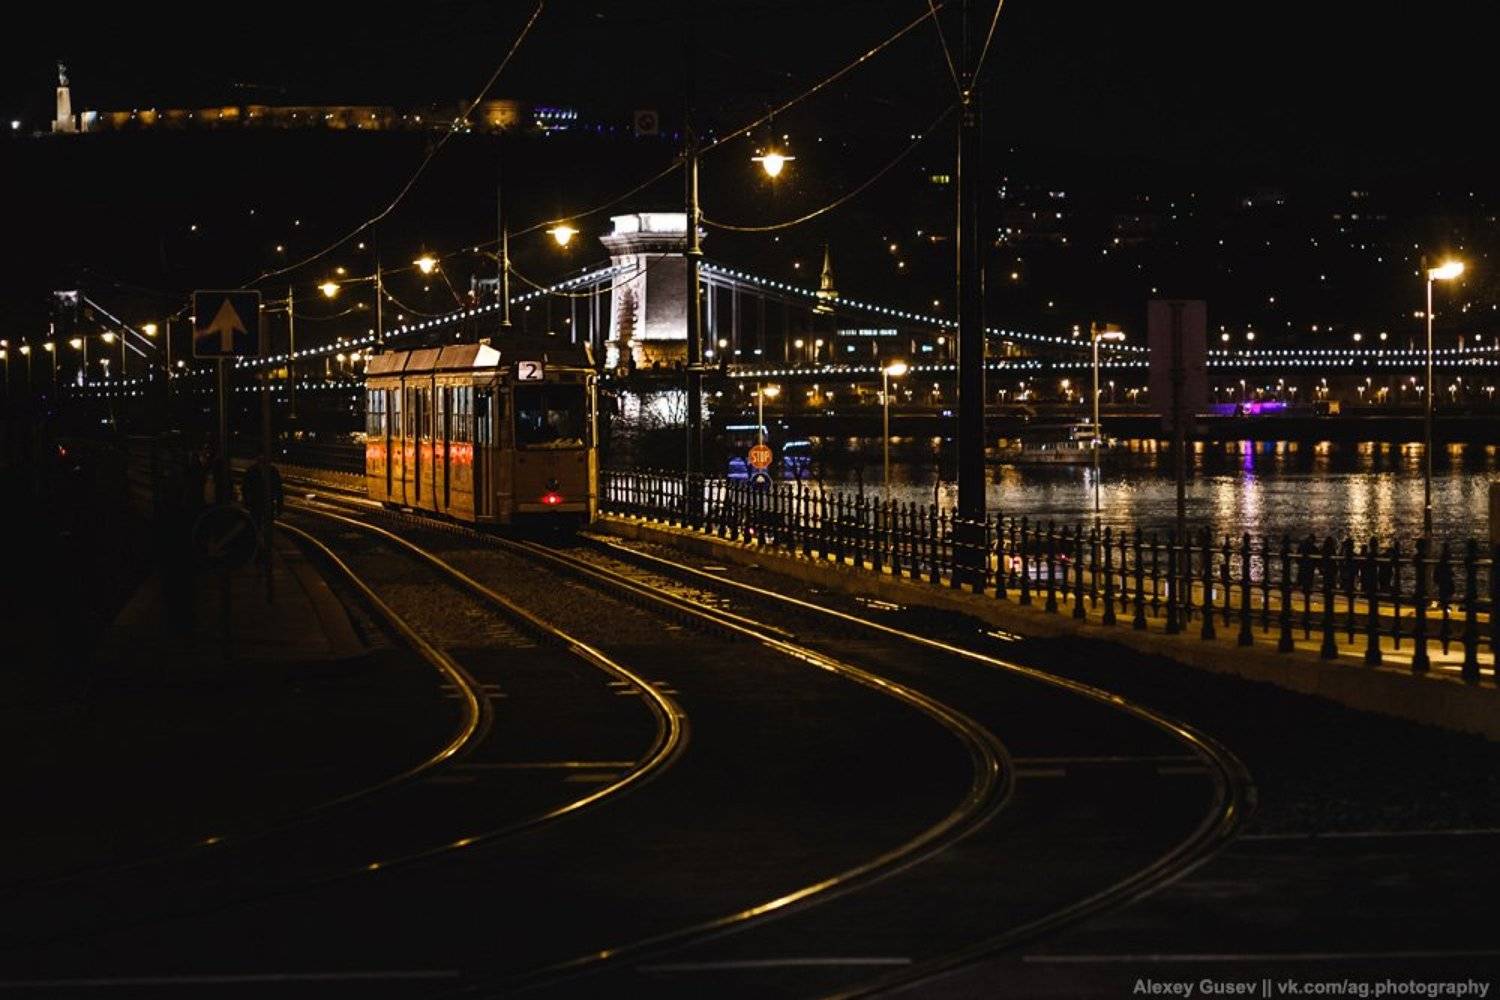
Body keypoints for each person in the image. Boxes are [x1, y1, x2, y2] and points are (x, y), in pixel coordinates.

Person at [241, 456, 284, 525]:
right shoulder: (272, 471)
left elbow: (279, 490)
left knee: (262, 524)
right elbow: (279, 490)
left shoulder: (252, 470)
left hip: (261, 504)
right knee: (259, 523)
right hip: (258, 504)